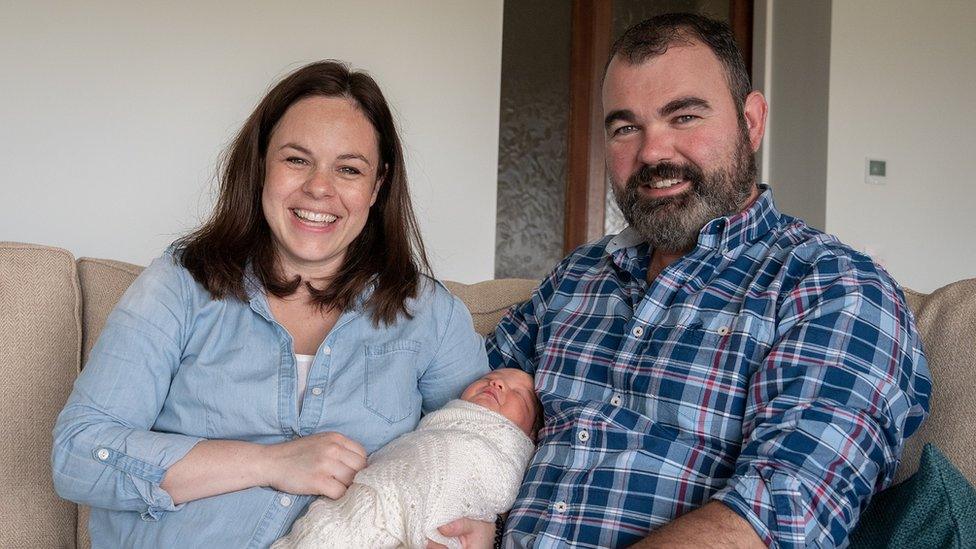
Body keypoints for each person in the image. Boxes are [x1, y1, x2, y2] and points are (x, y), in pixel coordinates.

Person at [446, 13, 931, 549]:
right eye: (626, 127)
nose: (653, 152)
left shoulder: (834, 287)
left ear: (751, 121)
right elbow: (452, 399)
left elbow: (781, 518)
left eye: (684, 116)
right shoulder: (577, 277)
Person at [51, 60, 488, 548]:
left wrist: (480, 520)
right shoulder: (180, 285)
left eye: (348, 169)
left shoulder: (429, 315)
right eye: (297, 160)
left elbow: (481, 444)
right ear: (261, 165)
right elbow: (78, 456)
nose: (319, 188)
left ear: (377, 186)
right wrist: (273, 462)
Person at [274, 368, 542, 549]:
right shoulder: (430, 428)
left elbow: (499, 493)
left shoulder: (507, 452)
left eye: (520, 394)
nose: (497, 383)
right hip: (365, 499)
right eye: (490, 377)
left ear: (530, 434)